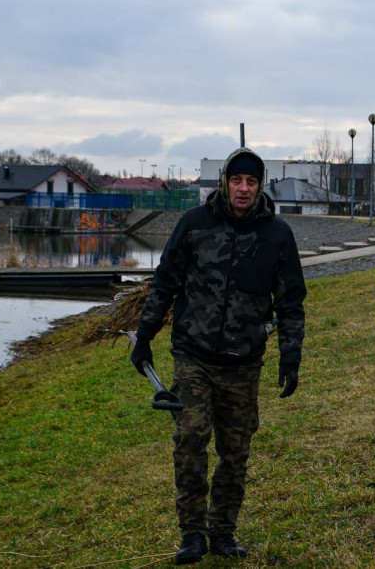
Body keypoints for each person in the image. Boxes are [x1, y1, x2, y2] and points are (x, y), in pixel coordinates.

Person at [131, 147, 306, 564]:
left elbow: (291, 302)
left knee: (235, 452)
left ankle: (223, 532)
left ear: (260, 185)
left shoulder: (277, 235)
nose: (243, 189)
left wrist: (290, 357)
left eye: (251, 182)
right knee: (190, 437)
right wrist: (145, 336)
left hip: (244, 362)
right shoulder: (194, 225)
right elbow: (164, 282)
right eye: (236, 180)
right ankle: (191, 534)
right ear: (225, 181)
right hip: (194, 355)